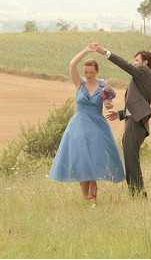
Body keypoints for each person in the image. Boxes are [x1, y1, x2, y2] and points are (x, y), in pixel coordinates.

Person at [49, 45, 125, 204]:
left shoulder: (104, 86)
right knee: (82, 161)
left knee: (94, 158)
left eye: (91, 72)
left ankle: (93, 193)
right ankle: (87, 199)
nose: (88, 75)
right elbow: (72, 65)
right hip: (79, 126)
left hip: (97, 126)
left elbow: (108, 103)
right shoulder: (80, 84)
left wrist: (109, 105)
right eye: (86, 72)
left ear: (96, 71)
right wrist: (86, 50)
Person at [91, 42, 151, 197]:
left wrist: (104, 51)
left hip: (136, 123)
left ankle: (138, 194)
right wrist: (120, 114)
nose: (134, 63)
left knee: (131, 160)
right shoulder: (143, 77)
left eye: (137, 60)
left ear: (145, 62)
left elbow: (124, 65)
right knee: (130, 158)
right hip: (134, 121)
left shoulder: (144, 71)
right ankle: (137, 193)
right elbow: (139, 103)